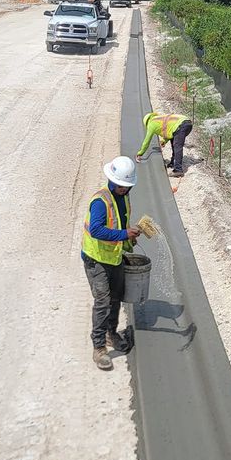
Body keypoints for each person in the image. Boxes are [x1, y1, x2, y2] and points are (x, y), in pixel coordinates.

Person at [81, 156, 140, 371]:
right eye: (120, 185)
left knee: (116, 298)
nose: (123, 189)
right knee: (103, 301)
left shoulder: (124, 198)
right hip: (96, 259)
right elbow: (96, 230)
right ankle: (99, 347)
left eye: (127, 186)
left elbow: (120, 223)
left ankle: (111, 333)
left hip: (114, 257)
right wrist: (124, 234)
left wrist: (128, 237)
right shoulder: (100, 201)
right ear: (112, 181)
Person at [136, 110, 193, 176]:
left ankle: (178, 170)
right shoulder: (159, 119)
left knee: (177, 146)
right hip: (187, 123)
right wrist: (164, 141)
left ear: (146, 123)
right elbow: (169, 131)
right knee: (174, 143)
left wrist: (140, 153)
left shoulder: (151, 124)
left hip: (181, 125)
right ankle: (173, 163)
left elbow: (147, 141)